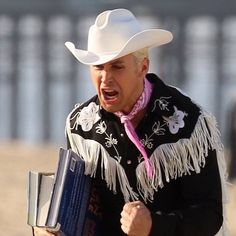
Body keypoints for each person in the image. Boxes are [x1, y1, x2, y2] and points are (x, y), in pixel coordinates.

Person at [33, 8, 228, 236]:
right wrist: (61, 227)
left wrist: (154, 225)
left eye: (117, 66)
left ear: (143, 67)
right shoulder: (81, 127)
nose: (106, 79)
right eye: (98, 67)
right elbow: (86, 210)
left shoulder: (189, 122)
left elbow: (209, 215)